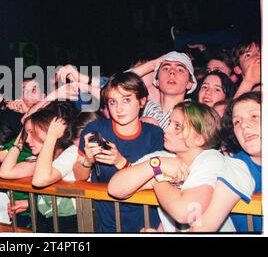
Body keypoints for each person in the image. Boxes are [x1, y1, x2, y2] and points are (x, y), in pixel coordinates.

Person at [108, 101, 231, 232]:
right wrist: (154, 165)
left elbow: (186, 213)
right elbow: (115, 188)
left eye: (177, 127)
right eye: (169, 123)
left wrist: (157, 179)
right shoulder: (162, 158)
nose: (166, 130)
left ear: (200, 139)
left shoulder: (211, 158)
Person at [73, 72, 163, 232]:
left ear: (142, 101)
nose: (119, 108)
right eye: (112, 102)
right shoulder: (96, 129)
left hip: (147, 222)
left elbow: (157, 182)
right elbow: (79, 176)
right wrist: (88, 160)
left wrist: (120, 162)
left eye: (126, 100)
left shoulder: (155, 134)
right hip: (108, 222)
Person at [0, 103, 80, 232]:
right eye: (27, 134)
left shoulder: (72, 152)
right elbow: (5, 172)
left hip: (71, 225)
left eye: (32, 133)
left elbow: (40, 180)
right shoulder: (42, 159)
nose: (27, 139)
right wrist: (20, 138)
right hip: (47, 223)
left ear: (48, 130)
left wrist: (51, 136)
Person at [191, 92, 261, 232]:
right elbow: (201, 229)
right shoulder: (238, 167)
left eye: (254, 116)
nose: (244, 125)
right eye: (237, 122)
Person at [132, 51, 197, 130]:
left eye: (180, 70)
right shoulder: (148, 108)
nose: (172, 72)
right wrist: (153, 64)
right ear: (157, 81)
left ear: (190, 83)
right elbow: (117, 86)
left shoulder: (194, 114)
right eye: (166, 68)